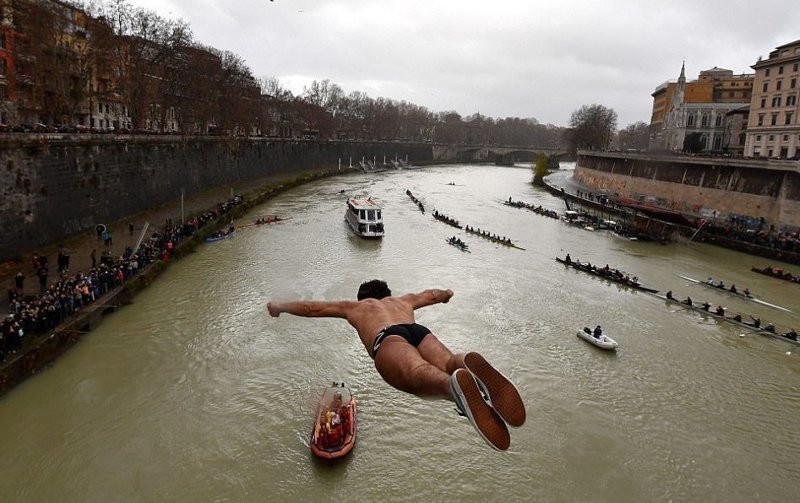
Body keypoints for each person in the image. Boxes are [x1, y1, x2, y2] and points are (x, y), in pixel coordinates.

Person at [267, 280, 525, 450]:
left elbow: (312, 308)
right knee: (448, 361)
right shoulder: (403, 301)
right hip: (416, 329)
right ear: (387, 294)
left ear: (363, 298)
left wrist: (279, 307)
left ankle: (451, 387)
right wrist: (446, 295)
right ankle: (463, 363)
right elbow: (432, 294)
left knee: (415, 374)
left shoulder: (356, 306)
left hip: (387, 337)